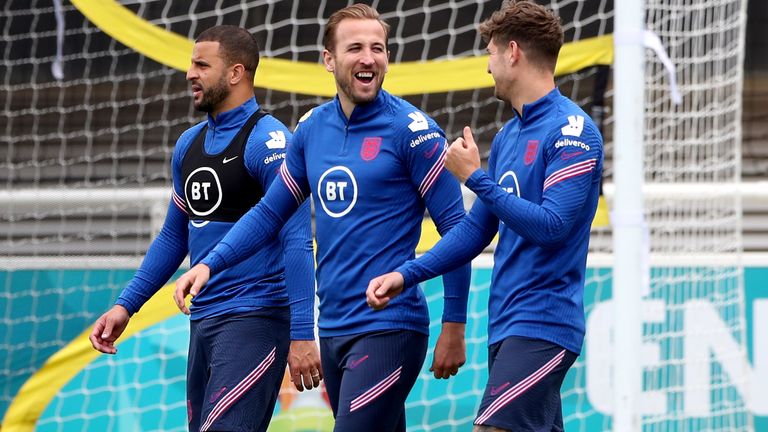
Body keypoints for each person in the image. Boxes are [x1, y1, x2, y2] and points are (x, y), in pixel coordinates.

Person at [174, 5, 471, 431]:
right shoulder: (312, 129)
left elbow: (457, 231)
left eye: (378, 48)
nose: (369, 58)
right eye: (355, 48)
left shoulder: (414, 131)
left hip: (390, 327)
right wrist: (209, 263)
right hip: (333, 328)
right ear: (329, 60)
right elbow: (270, 213)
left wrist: (455, 325)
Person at [366, 1, 604, 431]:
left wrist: (475, 177)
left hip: (544, 322)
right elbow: (476, 231)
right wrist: (405, 275)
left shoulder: (573, 130)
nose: (487, 68)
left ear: (513, 52)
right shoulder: (510, 134)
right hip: (507, 323)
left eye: (490, 53)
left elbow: (552, 227)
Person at [88, 25, 321, 432]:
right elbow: (174, 237)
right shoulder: (188, 145)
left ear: (235, 73)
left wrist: (302, 334)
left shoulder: (270, 142)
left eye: (201, 64)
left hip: (255, 318)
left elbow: (298, 240)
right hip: (204, 320)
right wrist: (126, 305)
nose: (189, 73)